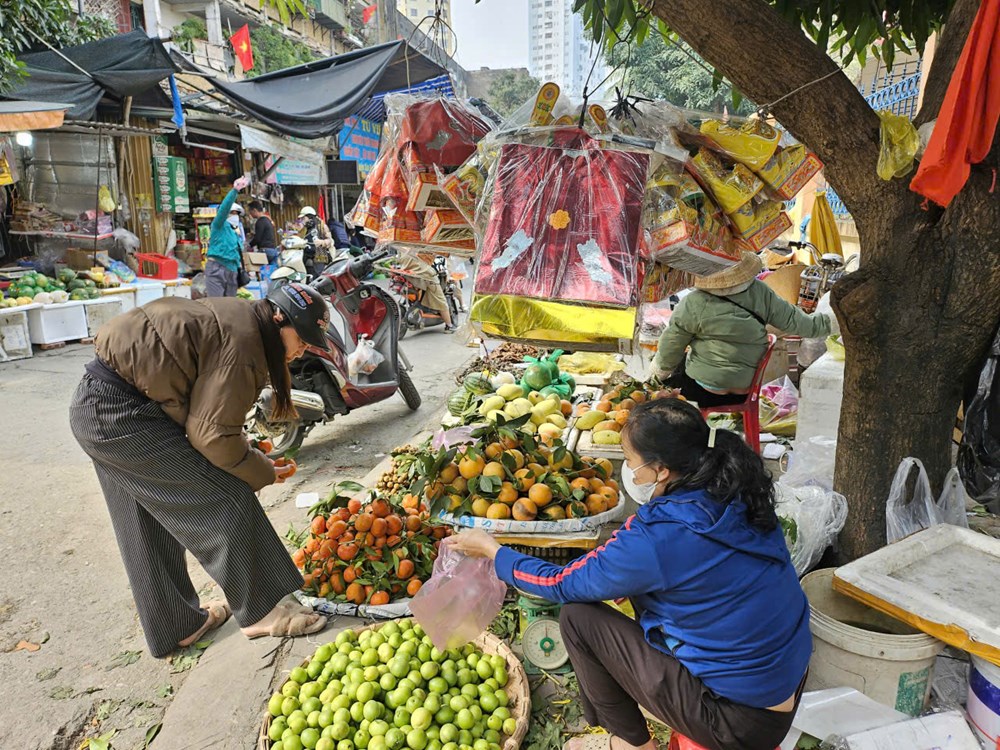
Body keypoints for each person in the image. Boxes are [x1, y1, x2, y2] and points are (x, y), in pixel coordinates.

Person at [451, 398, 810, 750]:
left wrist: (493, 551)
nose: (630, 470)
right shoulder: (739, 493)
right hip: (788, 683)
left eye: (632, 461)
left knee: (578, 617)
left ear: (661, 469)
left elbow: (559, 583)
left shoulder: (659, 536)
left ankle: (631, 744)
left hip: (737, 723)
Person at [69, 283, 333, 658]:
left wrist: (246, 452)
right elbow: (212, 437)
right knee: (226, 495)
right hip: (120, 414)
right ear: (278, 318)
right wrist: (261, 471)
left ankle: (177, 625)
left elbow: (205, 411)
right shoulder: (247, 346)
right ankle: (264, 611)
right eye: (302, 340)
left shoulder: (244, 321)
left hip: (101, 406)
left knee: (145, 522)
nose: (302, 350)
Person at [653, 251, 832, 407]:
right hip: (746, 391)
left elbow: (670, 347)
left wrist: (656, 376)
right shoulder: (760, 292)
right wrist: (831, 321)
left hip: (705, 393)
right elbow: (800, 322)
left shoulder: (694, 302)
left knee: (667, 383)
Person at [205, 176, 249, 297]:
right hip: (216, 268)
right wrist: (235, 191)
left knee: (230, 306)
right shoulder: (218, 225)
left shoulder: (235, 232)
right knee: (217, 305)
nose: (235, 216)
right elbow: (224, 209)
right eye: (232, 213)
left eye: (237, 214)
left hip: (232, 271)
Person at [395, 250, 456, 332]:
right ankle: (449, 326)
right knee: (441, 299)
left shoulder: (405, 244)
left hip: (406, 271)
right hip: (424, 273)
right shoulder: (426, 244)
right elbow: (444, 252)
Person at [298, 206, 333, 277]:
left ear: (310, 217)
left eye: (303, 218)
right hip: (306, 252)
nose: (302, 220)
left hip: (319, 253)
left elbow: (330, 240)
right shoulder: (305, 228)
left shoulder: (321, 226)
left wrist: (321, 242)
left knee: (318, 275)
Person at [248, 200, 278, 265]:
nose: (250, 214)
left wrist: (249, 245)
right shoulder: (268, 220)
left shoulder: (260, 222)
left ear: (254, 210)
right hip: (273, 250)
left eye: (250, 212)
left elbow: (257, 239)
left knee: (262, 272)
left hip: (265, 251)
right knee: (271, 272)